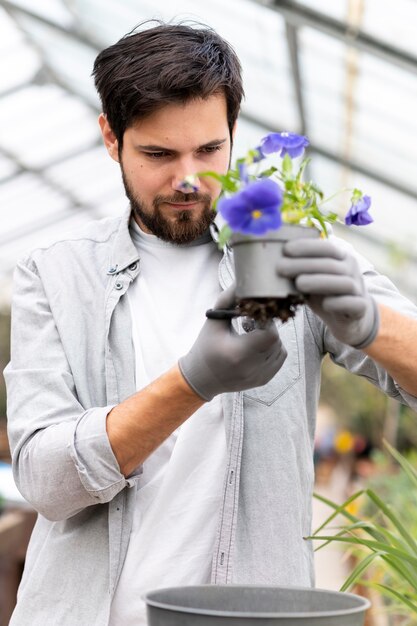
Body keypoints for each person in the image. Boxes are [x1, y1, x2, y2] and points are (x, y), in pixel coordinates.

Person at [5, 21, 417, 626]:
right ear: (110, 139)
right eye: (158, 155)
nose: (189, 179)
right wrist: (191, 383)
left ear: (232, 134)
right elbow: (44, 480)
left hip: (248, 614)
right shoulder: (56, 276)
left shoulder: (284, 246)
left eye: (209, 150)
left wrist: (369, 323)